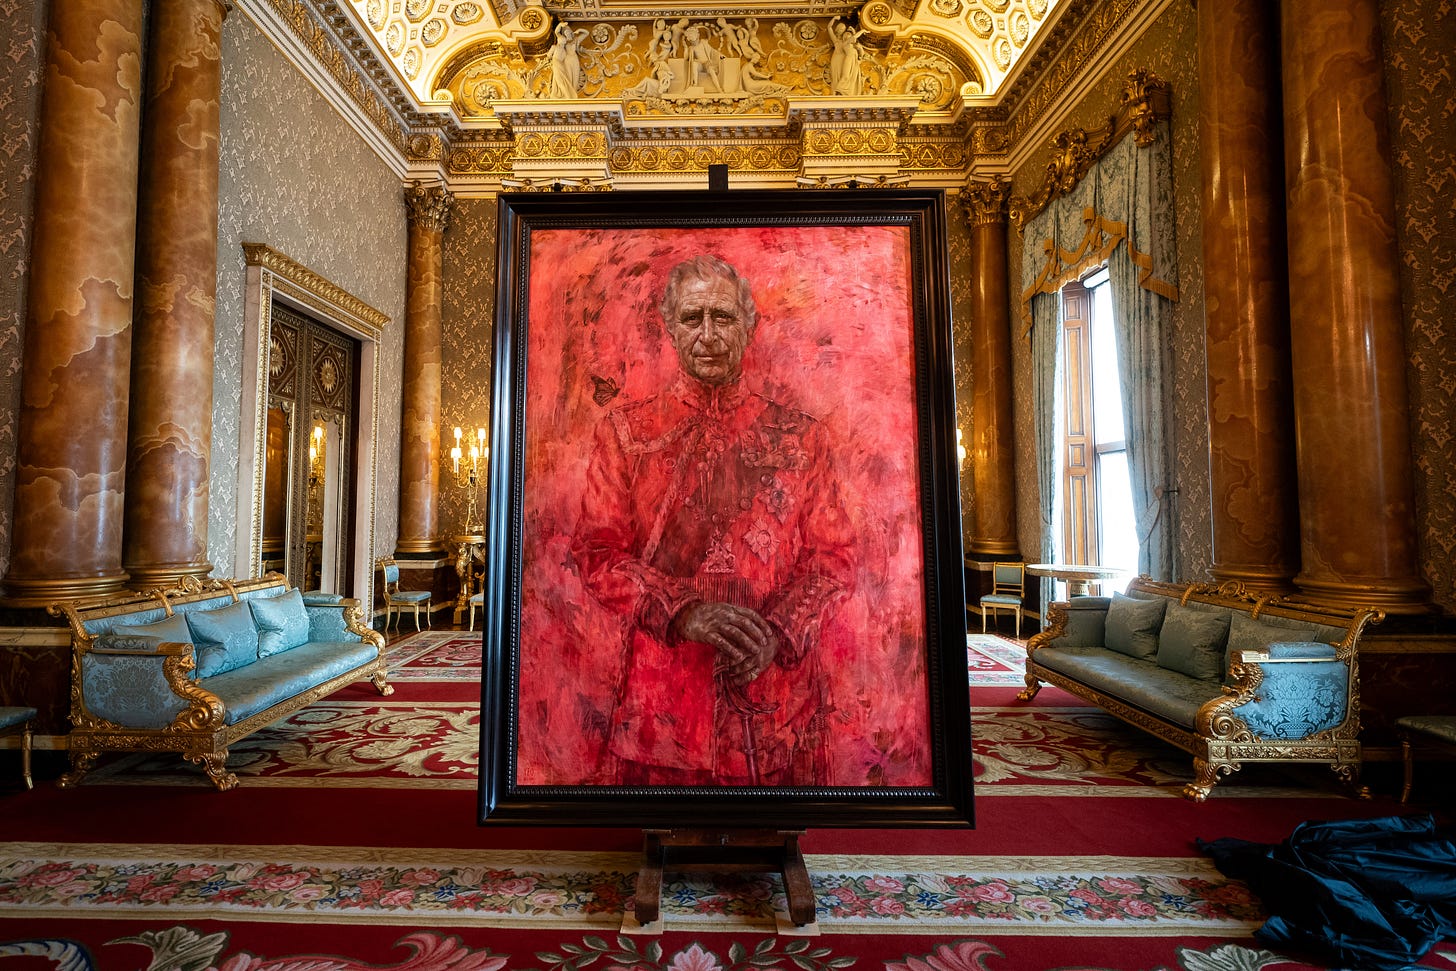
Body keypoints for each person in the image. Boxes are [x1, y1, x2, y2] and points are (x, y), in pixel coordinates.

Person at [571, 255, 855, 786]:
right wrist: (683, 613)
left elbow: (834, 558)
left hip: (775, 695)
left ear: (748, 326)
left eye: (722, 317)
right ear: (670, 327)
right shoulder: (625, 434)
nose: (708, 334)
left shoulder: (801, 437)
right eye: (692, 317)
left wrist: (777, 633)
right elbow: (597, 553)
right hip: (666, 692)